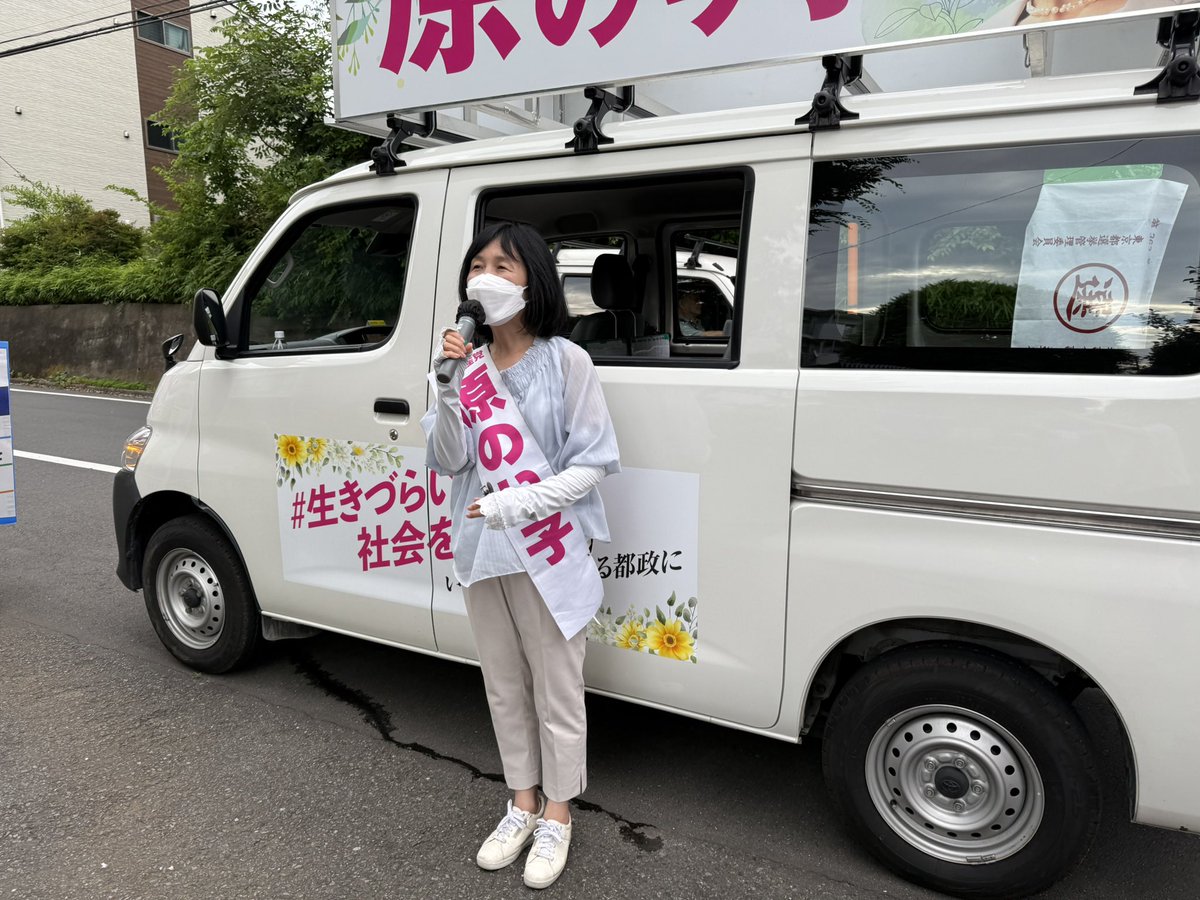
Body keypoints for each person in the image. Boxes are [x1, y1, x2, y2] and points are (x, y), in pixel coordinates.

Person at [420, 221, 620, 889]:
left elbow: (593, 462)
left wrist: (520, 503)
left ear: (533, 280)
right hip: (482, 548)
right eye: (477, 265)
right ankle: (521, 802)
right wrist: (447, 388)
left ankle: (558, 813)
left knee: (556, 688)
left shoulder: (567, 361)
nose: (486, 277)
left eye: (502, 266)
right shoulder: (462, 364)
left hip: (547, 549)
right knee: (503, 685)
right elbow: (451, 461)